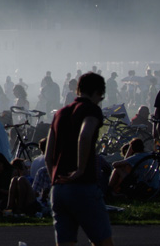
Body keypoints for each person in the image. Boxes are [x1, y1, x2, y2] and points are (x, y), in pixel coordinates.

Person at [45, 71, 113, 246]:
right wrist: (80, 169)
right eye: (101, 97)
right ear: (98, 92)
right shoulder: (91, 110)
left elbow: (48, 154)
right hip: (82, 185)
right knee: (102, 241)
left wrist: (54, 177)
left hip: (59, 188)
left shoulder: (59, 114)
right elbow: (85, 134)